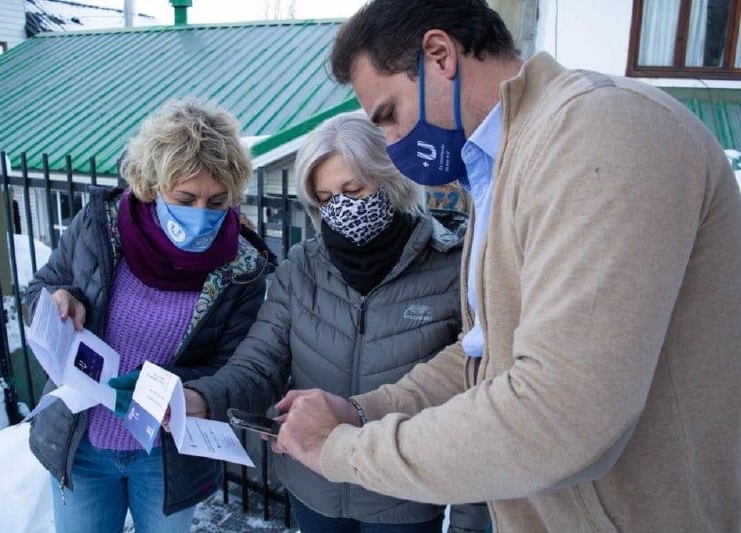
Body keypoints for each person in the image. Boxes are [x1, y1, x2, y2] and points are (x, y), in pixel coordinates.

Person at [270, 1, 741, 532]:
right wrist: (365, 410)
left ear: (440, 54)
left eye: (388, 115)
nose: (391, 142)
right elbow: (485, 356)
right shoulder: (503, 164)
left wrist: (345, 450)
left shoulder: (599, 130)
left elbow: (559, 413)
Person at [182, 111, 465, 532]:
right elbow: (259, 362)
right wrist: (202, 398)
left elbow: (474, 391)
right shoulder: (302, 269)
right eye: (328, 197)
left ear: (392, 180)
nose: (345, 207)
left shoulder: (450, 270)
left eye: (355, 189)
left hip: (405, 495)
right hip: (315, 485)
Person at [26, 99, 275, 532]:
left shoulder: (242, 269)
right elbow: (39, 290)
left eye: (217, 201)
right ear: (151, 185)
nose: (201, 215)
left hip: (167, 459)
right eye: (185, 198)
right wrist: (59, 298)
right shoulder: (100, 226)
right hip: (81, 445)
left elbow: (237, 365)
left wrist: (176, 387)